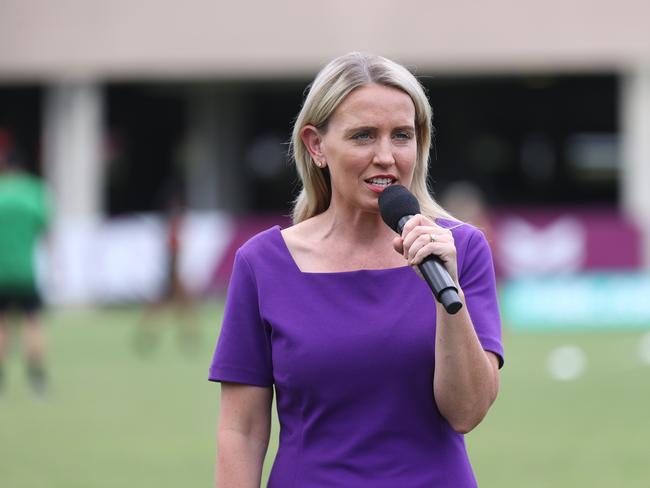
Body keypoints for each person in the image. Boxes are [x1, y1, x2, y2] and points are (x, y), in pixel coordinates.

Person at [209, 52, 504, 487]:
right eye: (364, 136)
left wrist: (448, 296)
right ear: (316, 145)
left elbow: (467, 412)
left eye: (401, 135)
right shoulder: (262, 263)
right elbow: (242, 431)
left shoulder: (461, 249)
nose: (386, 155)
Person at [0, 131, 50, 397]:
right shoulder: (35, 191)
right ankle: (37, 380)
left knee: (2, 325)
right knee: (33, 323)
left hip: (0, 273)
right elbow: (46, 231)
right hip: (26, 272)